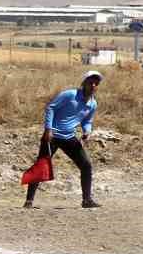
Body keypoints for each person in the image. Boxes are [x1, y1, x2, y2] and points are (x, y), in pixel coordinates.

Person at [24, 70, 104, 208]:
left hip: (69, 137)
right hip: (53, 136)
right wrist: (48, 129)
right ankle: (29, 201)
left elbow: (87, 121)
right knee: (41, 166)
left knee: (86, 165)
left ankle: (87, 200)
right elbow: (51, 108)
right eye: (90, 82)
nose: (93, 85)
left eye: (96, 83)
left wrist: (87, 131)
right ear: (84, 83)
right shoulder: (70, 95)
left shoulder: (92, 104)